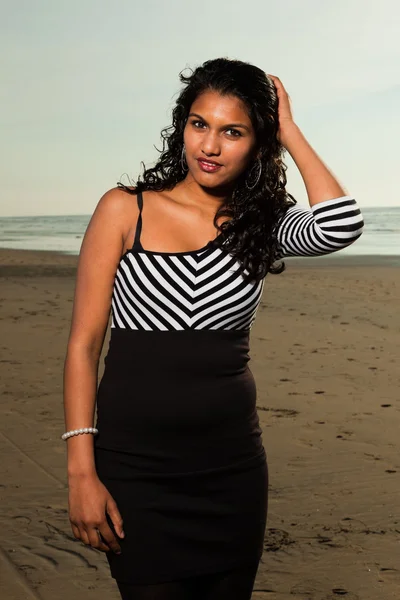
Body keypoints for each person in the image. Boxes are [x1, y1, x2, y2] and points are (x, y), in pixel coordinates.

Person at [63, 58, 364, 600]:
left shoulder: (261, 227)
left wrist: (289, 128)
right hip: (137, 471)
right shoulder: (123, 211)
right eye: (200, 124)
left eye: (233, 131)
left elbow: (341, 223)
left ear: (257, 143)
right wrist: (81, 472)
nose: (210, 145)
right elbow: (84, 347)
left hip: (231, 471)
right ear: (181, 125)